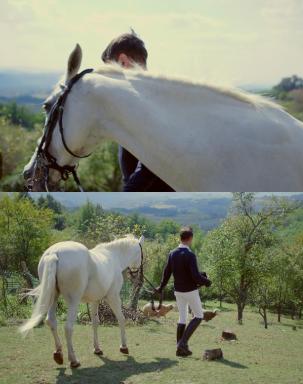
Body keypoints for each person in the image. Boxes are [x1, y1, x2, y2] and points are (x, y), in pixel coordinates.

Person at [101, 32, 175, 192]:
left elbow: (152, 165)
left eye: (110, 70)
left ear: (123, 62)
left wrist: (127, 195)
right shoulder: (139, 97)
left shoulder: (149, 99)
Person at [156, 227, 212, 357]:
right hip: (190, 291)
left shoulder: (172, 253)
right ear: (190, 239)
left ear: (180, 238)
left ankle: (179, 350)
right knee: (198, 316)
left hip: (178, 291)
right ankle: (182, 344)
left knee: (182, 318)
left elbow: (166, 273)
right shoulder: (190, 255)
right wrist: (207, 282)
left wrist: (161, 287)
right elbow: (195, 277)